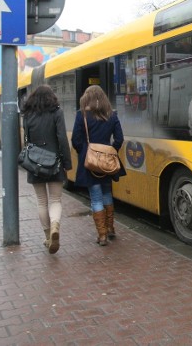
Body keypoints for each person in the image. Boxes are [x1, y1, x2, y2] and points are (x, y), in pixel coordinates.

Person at [71, 85, 126, 246]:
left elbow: (76, 140)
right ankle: (110, 228)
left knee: (95, 197)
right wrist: (110, 152)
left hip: (90, 163)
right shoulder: (112, 115)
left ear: (86, 98)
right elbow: (119, 139)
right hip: (107, 163)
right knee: (107, 193)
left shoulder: (82, 116)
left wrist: (85, 153)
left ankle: (102, 236)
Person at [22, 85, 72, 254]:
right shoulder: (56, 112)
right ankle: (55, 227)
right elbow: (62, 138)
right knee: (55, 200)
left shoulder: (27, 114)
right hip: (54, 162)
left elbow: (26, 139)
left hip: (35, 163)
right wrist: (67, 163)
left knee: (41, 201)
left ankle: (48, 236)